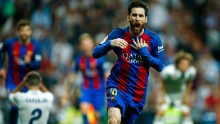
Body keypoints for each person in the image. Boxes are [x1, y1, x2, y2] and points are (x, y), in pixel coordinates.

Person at [92, 1, 165, 124]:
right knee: (114, 120)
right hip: (117, 85)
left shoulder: (154, 39)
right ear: (128, 17)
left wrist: (144, 53)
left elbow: (160, 66)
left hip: (137, 93)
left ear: (146, 19)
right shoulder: (117, 34)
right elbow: (95, 53)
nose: (137, 19)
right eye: (134, 15)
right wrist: (110, 44)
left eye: (141, 16)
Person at [0, 19, 42, 124]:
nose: (25, 33)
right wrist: (1, 67)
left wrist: (29, 63)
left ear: (31, 32)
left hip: (28, 83)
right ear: (18, 32)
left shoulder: (35, 45)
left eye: (27, 30)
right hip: (11, 81)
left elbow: (38, 65)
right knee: (14, 104)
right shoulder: (10, 43)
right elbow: (1, 53)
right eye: (22, 30)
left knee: (25, 108)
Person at [69, 33, 109, 124]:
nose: (87, 46)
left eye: (89, 43)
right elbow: (73, 74)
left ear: (92, 44)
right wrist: (68, 89)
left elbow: (106, 73)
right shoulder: (79, 59)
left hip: (99, 89)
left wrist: (110, 87)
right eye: (84, 44)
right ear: (81, 46)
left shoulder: (100, 57)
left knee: (97, 115)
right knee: (84, 109)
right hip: (86, 88)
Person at [154, 51, 196, 124]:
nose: (185, 66)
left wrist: (186, 96)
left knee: (186, 113)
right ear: (178, 63)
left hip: (180, 94)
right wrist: (162, 97)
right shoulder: (169, 71)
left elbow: (189, 82)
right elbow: (162, 80)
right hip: (167, 93)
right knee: (160, 113)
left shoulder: (191, 71)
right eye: (183, 63)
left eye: (187, 64)